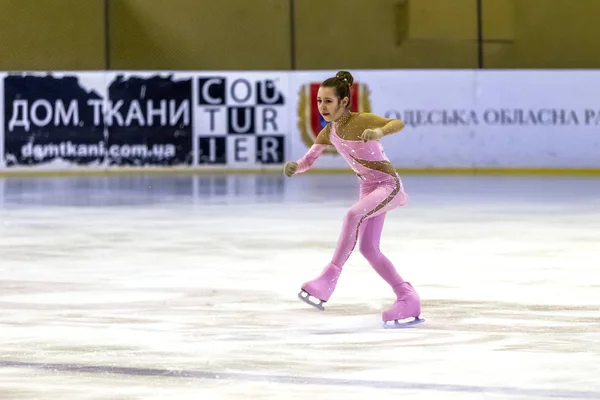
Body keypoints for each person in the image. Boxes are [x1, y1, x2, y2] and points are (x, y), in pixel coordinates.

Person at [284, 70, 422, 327]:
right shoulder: (328, 132)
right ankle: (407, 297)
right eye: (319, 101)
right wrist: (296, 166)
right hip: (368, 188)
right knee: (369, 249)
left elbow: (397, 123)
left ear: (344, 102)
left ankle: (328, 278)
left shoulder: (362, 121)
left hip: (388, 185)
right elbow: (309, 160)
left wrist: (379, 132)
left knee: (352, 214)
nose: (322, 107)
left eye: (328, 101)